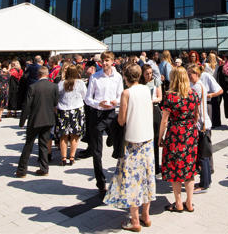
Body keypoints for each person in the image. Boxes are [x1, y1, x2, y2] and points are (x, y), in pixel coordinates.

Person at [104, 64, 157, 232]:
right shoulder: (145, 90)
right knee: (147, 178)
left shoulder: (126, 93)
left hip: (132, 141)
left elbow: (121, 120)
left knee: (133, 180)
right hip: (147, 140)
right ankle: (146, 216)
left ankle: (134, 220)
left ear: (126, 77)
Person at [81, 51, 124, 193]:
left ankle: (120, 178)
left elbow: (120, 96)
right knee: (97, 151)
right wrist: (99, 104)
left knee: (119, 148)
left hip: (111, 114)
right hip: (97, 114)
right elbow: (88, 99)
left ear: (113, 61)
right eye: (103, 61)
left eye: (107, 60)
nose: (105, 63)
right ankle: (101, 183)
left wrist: (115, 102)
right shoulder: (95, 77)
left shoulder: (117, 77)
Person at [159, 66, 199, 213]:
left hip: (175, 133)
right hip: (190, 132)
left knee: (175, 168)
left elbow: (164, 120)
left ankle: (178, 203)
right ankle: (189, 202)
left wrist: (160, 137)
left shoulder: (170, 96)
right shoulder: (193, 94)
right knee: (189, 169)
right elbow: (196, 115)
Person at [16, 66, 58, 177]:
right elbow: (55, 103)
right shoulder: (54, 87)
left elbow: (27, 105)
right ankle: (44, 168)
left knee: (28, 144)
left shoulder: (33, 87)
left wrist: (22, 121)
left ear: (38, 75)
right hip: (48, 119)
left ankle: (22, 170)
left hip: (35, 119)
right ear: (47, 74)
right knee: (43, 144)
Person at [187, 64, 212, 193]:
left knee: (202, 155)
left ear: (196, 74)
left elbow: (196, 108)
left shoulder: (197, 87)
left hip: (201, 124)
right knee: (204, 155)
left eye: (190, 73)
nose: (188, 76)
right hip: (204, 123)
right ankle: (206, 180)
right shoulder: (199, 85)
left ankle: (204, 183)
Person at [55, 65, 86, 166]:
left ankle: (63, 158)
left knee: (63, 135)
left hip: (63, 110)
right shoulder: (80, 83)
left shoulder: (61, 83)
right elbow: (85, 95)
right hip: (77, 109)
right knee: (75, 135)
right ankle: (72, 157)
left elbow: (57, 96)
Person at [141, 64, 163, 174]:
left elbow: (160, 97)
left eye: (150, 73)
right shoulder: (141, 84)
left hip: (154, 109)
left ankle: (156, 165)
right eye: (147, 74)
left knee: (155, 138)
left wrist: (152, 100)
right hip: (144, 110)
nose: (149, 75)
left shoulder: (156, 82)